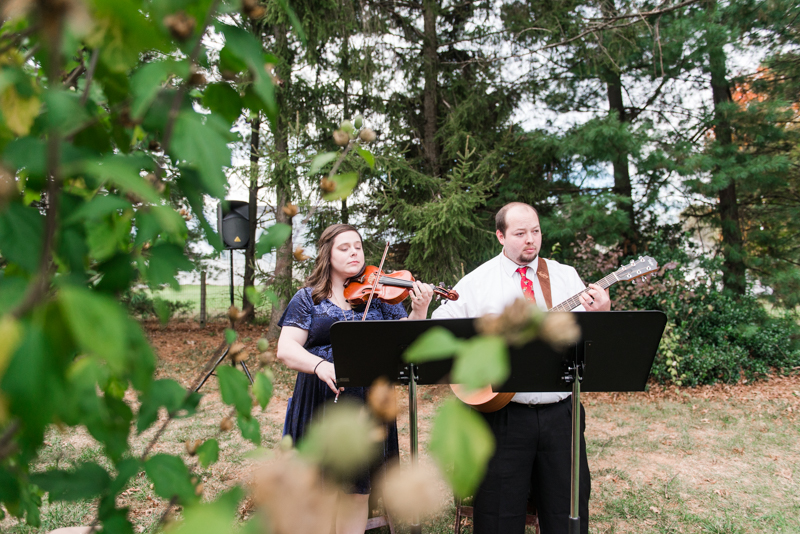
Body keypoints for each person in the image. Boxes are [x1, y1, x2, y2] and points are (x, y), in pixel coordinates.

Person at [431, 202, 610, 534]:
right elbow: (442, 329)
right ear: (500, 236)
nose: (531, 239)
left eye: (536, 231)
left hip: (561, 414)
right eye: (520, 233)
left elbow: (587, 340)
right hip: (502, 413)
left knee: (567, 511)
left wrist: (601, 313)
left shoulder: (565, 275)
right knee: (499, 514)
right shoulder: (477, 282)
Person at [275, 223, 433, 534]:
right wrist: (321, 366)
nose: (353, 252)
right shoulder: (308, 298)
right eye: (344, 247)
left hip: (368, 402)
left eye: (358, 246)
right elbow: (285, 348)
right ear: (328, 255)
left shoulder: (383, 299)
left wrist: (420, 309)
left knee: (358, 492)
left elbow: (407, 344)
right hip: (321, 400)